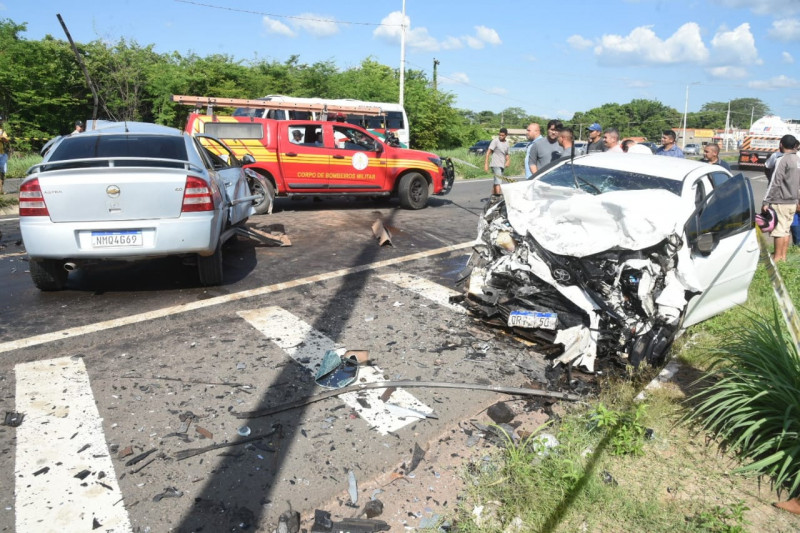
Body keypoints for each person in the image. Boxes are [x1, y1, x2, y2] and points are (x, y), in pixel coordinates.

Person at [762, 134, 800, 262]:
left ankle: (777, 258)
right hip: (793, 202)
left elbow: (775, 181)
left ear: (781, 144)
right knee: (785, 230)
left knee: (778, 231)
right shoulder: (797, 159)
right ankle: (783, 257)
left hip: (780, 200)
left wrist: (766, 201)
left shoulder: (782, 159)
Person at [485, 127, 510, 195]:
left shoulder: (507, 143)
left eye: (502, 135)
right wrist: (486, 164)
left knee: (496, 181)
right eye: (500, 135)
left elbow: (507, 154)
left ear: (506, 135)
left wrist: (508, 161)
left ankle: (493, 197)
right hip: (495, 164)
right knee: (499, 182)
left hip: (502, 165)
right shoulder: (495, 141)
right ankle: (498, 197)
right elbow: (488, 152)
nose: (500, 136)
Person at [0, 118, 9, 194]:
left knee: (2, 172)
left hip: (1, 154)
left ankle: (1, 189)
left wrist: (3, 138)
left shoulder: (2, 131)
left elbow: (6, 140)